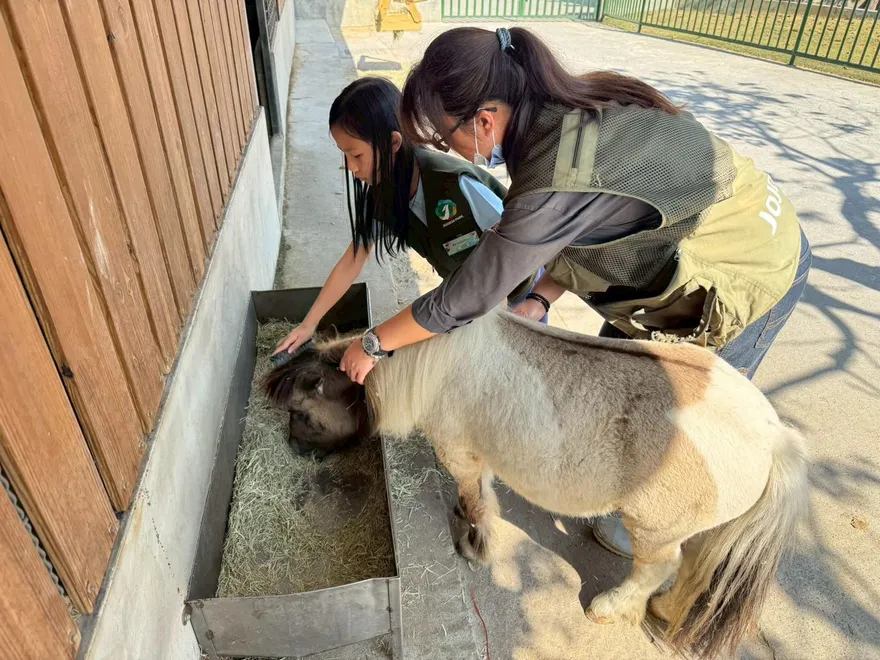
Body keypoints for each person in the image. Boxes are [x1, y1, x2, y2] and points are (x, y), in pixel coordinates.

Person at [336, 28, 812, 559]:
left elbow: (463, 298)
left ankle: (672, 528)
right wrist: (540, 298)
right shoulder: (556, 115)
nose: (453, 154)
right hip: (694, 250)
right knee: (621, 392)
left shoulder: (554, 169)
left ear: (484, 120)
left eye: (449, 141)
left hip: (751, 267)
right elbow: (591, 225)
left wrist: (374, 344)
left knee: (685, 433)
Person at [274, 76, 546, 358]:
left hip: (518, 300)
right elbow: (353, 258)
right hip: (467, 303)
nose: (350, 168)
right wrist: (309, 324)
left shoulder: (455, 184)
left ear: (393, 142)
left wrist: (529, 304)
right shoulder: (383, 195)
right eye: (345, 156)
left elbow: (520, 244)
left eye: (356, 154)